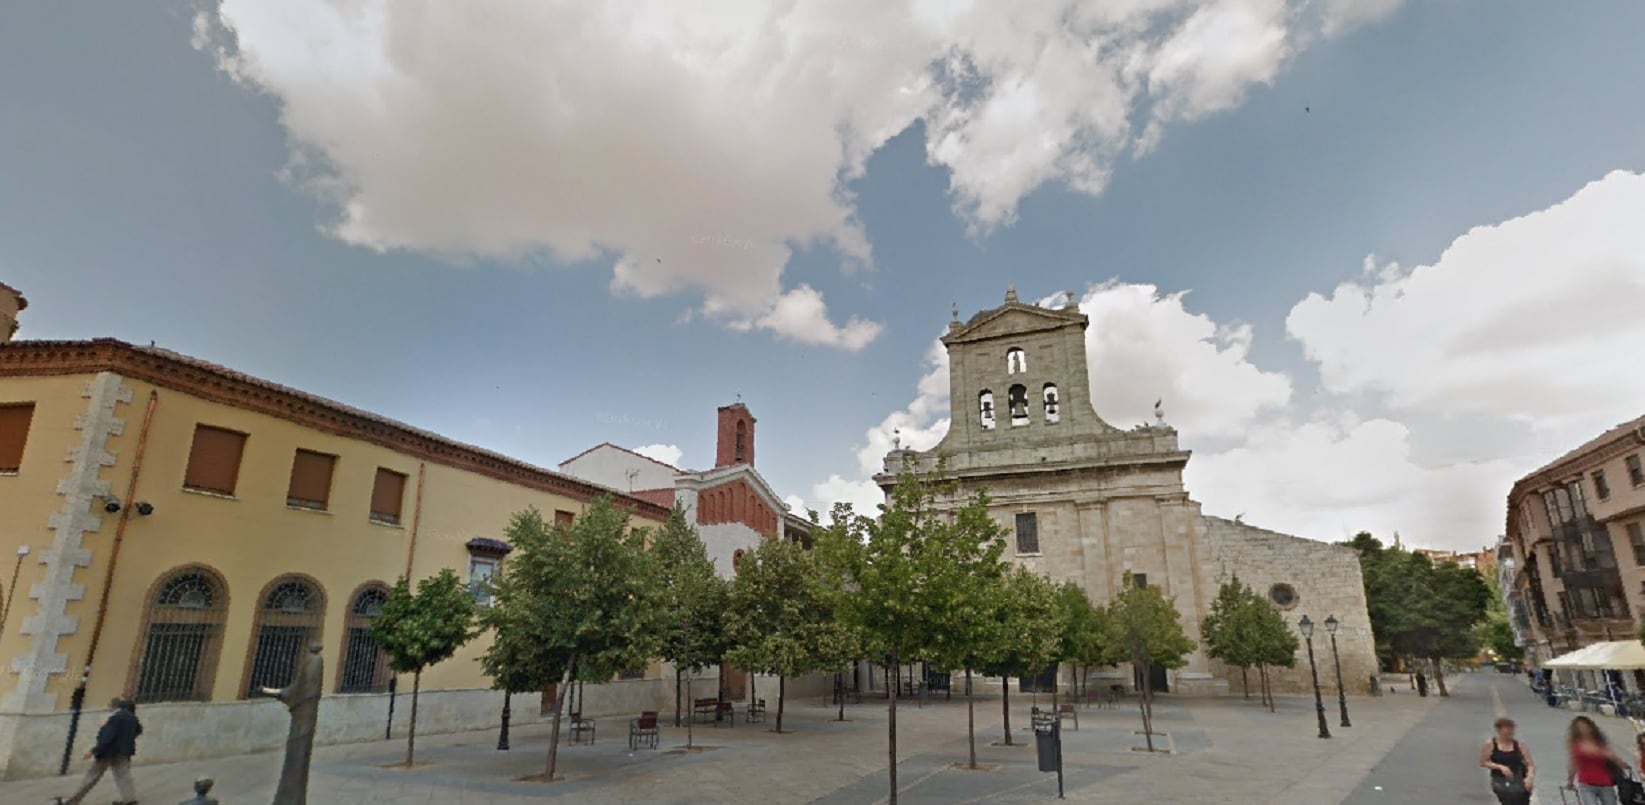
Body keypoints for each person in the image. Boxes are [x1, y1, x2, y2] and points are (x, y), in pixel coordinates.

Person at [55, 697, 142, 805]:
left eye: (109, 706)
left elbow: (108, 738)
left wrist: (93, 751)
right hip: (123, 752)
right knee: (123, 776)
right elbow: (138, 730)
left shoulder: (115, 718)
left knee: (92, 776)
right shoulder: (132, 717)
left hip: (108, 752)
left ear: (114, 706)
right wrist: (125, 740)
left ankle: (72, 801)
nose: (108, 708)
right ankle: (130, 800)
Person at [1568, 715, 1629, 805]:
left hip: (1605, 782)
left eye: (1585, 727)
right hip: (1586, 783)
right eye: (1579, 728)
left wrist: (1621, 763)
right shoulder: (1575, 744)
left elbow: (1611, 756)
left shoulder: (1599, 742)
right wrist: (1570, 780)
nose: (1583, 730)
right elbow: (1574, 763)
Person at [1482, 717, 1534, 804]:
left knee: (1521, 798)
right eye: (1506, 732)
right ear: (1498, 731)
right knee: (1510, 798)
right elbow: (1483, 762)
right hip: (1500, 779)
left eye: (1511, 731)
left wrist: (1530, 777)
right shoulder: (1490, 744)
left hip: (1519, 778)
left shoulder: (1520, 745)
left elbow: (1530, 764)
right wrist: (1500, 767)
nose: (1509, 734)